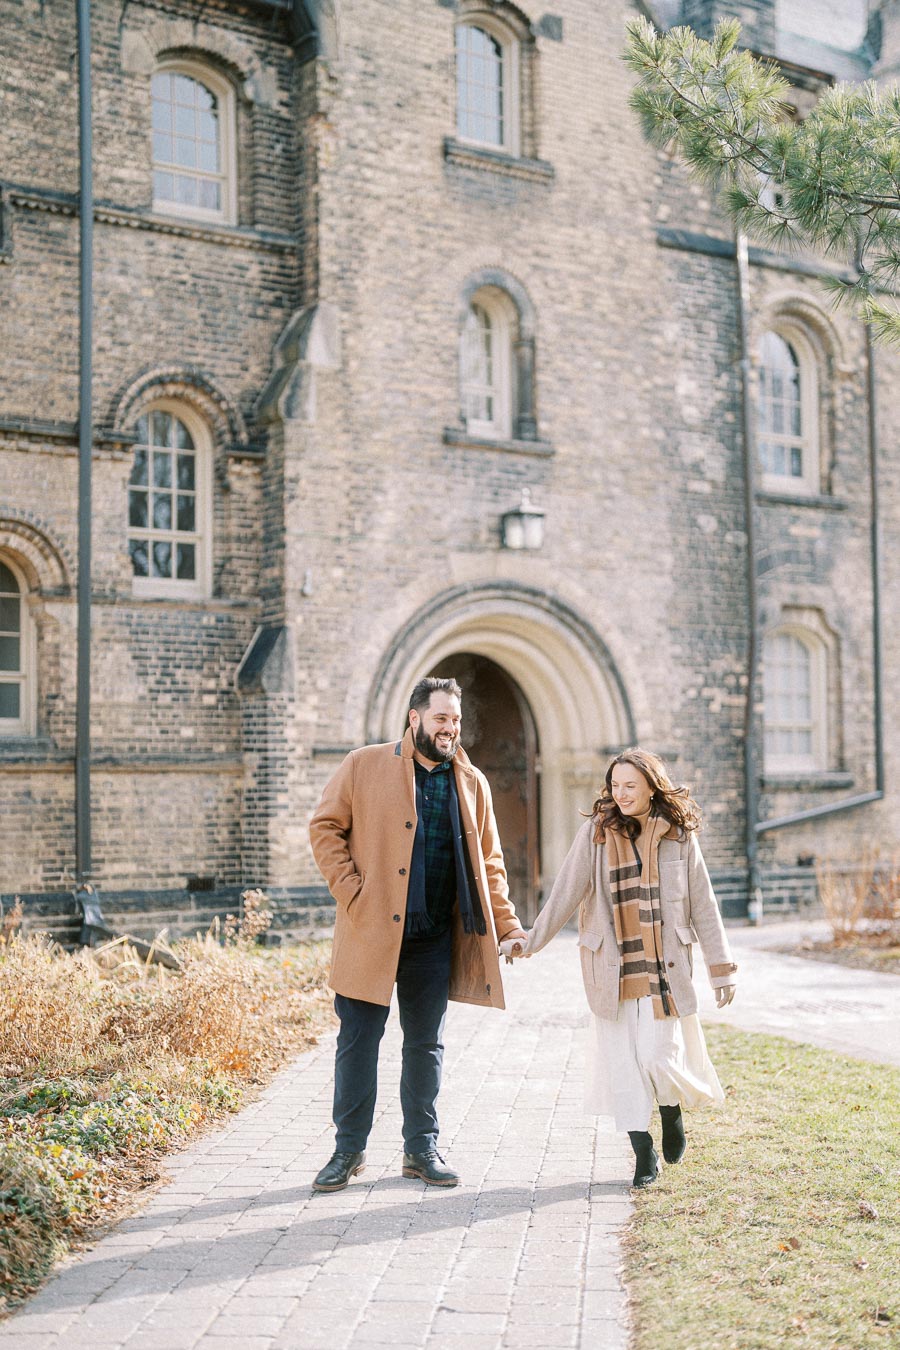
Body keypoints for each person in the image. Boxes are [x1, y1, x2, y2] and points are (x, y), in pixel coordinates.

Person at [308, 676, 527, 1192]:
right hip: (370, 932)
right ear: (415, 719)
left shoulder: (472, 783)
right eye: (440, 718)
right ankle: (347, 1151)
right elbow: (324, 827)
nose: (450, 728)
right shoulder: (365, 764)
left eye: (455, 719)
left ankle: (420, 1149)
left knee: (425, 1046)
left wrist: (510, 923)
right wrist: (351, 890)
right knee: (358, 1043)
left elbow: (489, 863)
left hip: (432, 940)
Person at [504, 747, 736, 1188]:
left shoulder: (679, 836)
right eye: (615, 786)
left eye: (631, 785)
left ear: (652, 787)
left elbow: (703, 904)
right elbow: (566, 892)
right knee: (623, 1067)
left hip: (663, 968)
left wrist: (721, 968)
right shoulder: (595, 833)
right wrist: (530, 942)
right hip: (611, 967)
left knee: (656, 1055)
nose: (621, 793)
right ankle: (642, 1153)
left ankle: (670, 1111)